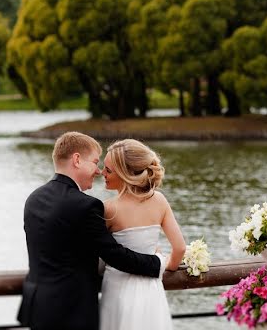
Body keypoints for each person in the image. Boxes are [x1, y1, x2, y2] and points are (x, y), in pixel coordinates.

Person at [18, 132, 163, 330]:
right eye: (95, 162)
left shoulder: (33, 199)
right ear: (77, 160)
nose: (98, 171)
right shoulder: (86, 206)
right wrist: (159, 262)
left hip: (38, 308)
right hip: (73, 312)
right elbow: (115, 255)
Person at [99, 139, 186, 330]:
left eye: (108, 170)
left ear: (125, 174)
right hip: (151, 289)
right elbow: (179, 248)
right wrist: (167, 265)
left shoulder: (109, 209)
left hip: (118, 290)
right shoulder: (160, 200)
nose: (101, 173)